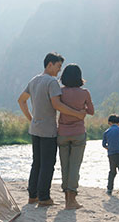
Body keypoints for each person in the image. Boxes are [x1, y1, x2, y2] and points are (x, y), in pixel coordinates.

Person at [18, 53, 85, 206]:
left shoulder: (34, 80)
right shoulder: (52, 82)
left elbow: (21, 100)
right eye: (58, 66)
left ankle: (32, 196)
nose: (59, 70)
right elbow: (57, 105)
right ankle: (44, 198)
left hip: (35, 129)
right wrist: (78, 114)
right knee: (47, 164)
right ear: (50, 64)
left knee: (37, 163)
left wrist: (31, 118)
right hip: (48, 130)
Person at [57, 64, 94, 209]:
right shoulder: (84, 93)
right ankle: (72, 200)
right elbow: (91, 111)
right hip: (78, 133)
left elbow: (56, 107)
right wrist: (80, 108)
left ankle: (67, 199)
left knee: (64, 166)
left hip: (62, 133)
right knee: (74, 167)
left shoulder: (60, 92)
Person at [102, 114, 119, 199]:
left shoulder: (106, 132)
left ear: (109, 123)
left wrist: (109, 149)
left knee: (112, 171)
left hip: (111, 154)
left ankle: (109, 189)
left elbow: (103, 144)